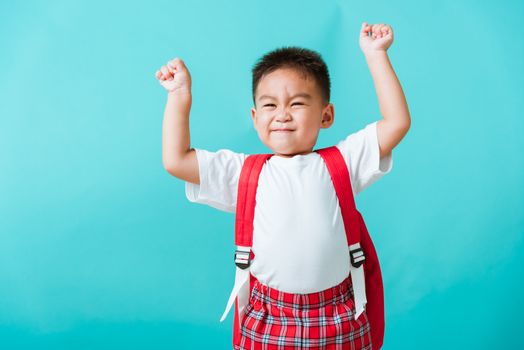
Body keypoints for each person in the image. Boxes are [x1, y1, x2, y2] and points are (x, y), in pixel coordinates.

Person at [156, 22, 411, 350]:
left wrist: (376, 56)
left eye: (298, 103)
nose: (282, 115)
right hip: (267, 318)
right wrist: (179, 97)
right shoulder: (243, 173)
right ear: (254, 116)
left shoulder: (343, 163)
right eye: (270, 105)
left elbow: (397, 123)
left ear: (326, 115)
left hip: (339, 315)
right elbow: (175, 160)